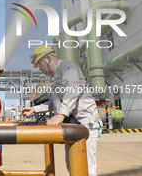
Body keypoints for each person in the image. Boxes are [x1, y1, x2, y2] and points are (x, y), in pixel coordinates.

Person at [21, 45, 102, 176]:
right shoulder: (54, 79)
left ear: (47, 59)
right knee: (72, 165)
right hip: (72, 127)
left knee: (86, 168)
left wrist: (61, 115)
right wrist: (34, 109)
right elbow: (54, 103)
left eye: (39, 65)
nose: (40, 69)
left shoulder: (68, 67)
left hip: (87, 124)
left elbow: (72, 89)